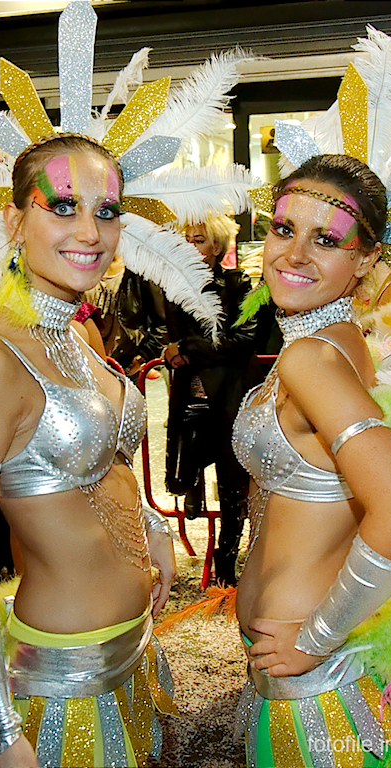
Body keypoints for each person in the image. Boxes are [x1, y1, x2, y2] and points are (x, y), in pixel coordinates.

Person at [0, 134, 177, 767]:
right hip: (63, 678)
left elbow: (99, 464)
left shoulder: (77, 331)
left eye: (105, 211)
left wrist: (150, 527)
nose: (90, 232)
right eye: (64, 206)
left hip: (133, 642)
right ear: (16, 220)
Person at [233, 154, 391, 765]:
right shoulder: (340, 342)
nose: (293, 255)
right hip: (304, 666)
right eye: (282, 229)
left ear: (366, 259)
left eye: (325, 240)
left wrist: (317, 638)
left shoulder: (311, 360)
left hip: (314, 685)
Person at [163, 215, 260, 584]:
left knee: (234, 482)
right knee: (182, 470)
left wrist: (188, 347)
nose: (190, 246)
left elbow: (240, 341)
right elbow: (170, 341)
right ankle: (192, 496)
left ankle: (226, 560)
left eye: (198, 240)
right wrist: (178, 349)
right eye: (185, 239)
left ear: (217, 248)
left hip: (231, 396)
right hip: (190, 396)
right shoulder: (173, 288)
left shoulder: (240, 284)